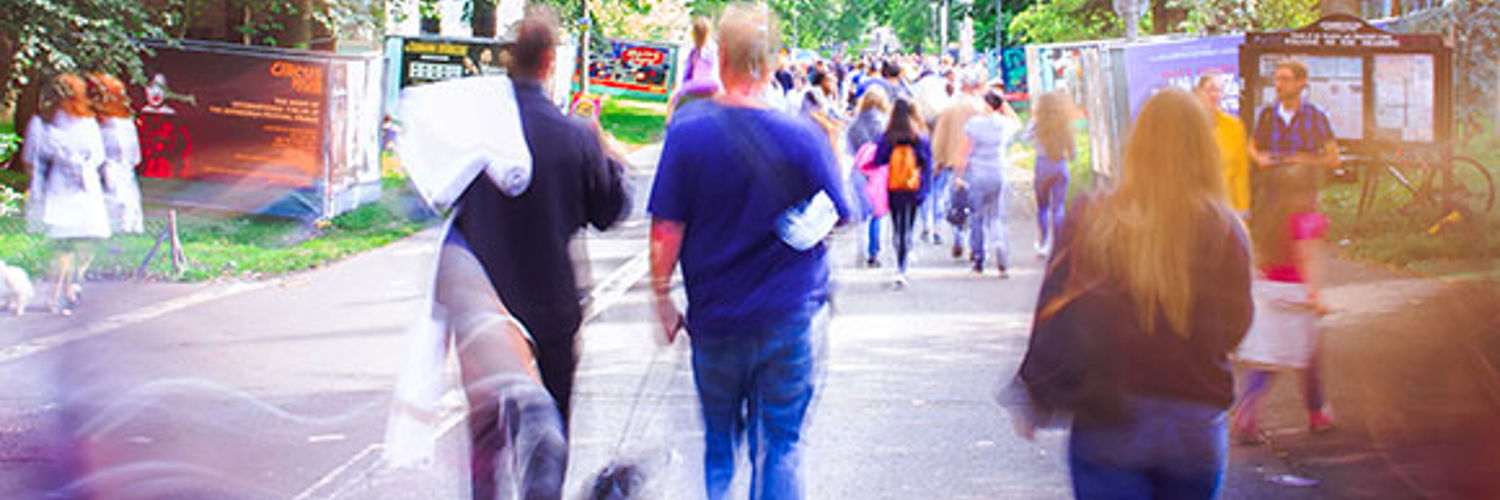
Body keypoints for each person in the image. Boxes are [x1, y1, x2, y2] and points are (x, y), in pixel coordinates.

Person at [1004, 89, 1254, 499]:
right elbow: (1236, 325)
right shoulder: (1225, 229)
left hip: (1109, 415)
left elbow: (1054, 305)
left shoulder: (1093, 217)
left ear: (1135, 145)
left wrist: (1037, 391)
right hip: (1194, 417)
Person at [648, 4, 851, 498]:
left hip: (715, 320)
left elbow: (666, 231)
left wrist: (662, 299)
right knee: (780, 445)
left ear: (721, 58)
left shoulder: (688, 134)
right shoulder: (804, 135)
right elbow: (839, 213)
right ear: (771, 62)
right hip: (789, 316)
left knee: (719, 444)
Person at [450, 9, 630, 495]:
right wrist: (610, 161)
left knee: (488, 431)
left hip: (483, 311)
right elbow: (610, 213)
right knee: (549, 433)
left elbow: (440, 202)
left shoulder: (476, 136)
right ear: (550, 62)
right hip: (551, 308)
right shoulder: (575, 136)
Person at [1232, 165, 1335, 445]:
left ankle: (1246, 410)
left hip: (1270, 292)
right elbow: (1306, 257)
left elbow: (1259, 259)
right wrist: (1314, 294)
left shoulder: (1270, 220)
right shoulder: (1306, 221)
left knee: (1269, 359)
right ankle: (1317, 413)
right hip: (1296, 295)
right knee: (1309, 358)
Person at [23, 73, 110, 315]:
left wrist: (82, 166)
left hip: (83, 190)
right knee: (65, 244)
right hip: (61, 190)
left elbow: (98, 156)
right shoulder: (46, 124)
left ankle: (71, 283)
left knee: (83, 242)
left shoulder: (86, 123)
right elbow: (33, 159)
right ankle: (59, 293)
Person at [1249, 60, 1339, 207]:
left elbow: (1333, 158)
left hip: (1302, 196)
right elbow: (1252, 146)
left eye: (1285, 79)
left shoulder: (1315, 116)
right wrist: (1259, 158)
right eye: (1277, 79)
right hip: (1269, 195)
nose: (1279, 85)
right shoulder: (1268, 114)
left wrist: (1301, 160)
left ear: (1300, 83)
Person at [953, 92, 1021, 278]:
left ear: (986, 104)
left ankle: (979, 258)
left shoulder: (974, 124)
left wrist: (958, 174)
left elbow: (964, 151)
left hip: (977, 174)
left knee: (977, 216)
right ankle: (1000, 247)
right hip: (998, 171)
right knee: (997, 216)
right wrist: (1004, 106)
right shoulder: (1004, 124)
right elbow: (1017, 123)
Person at [874, 98, 933, 288]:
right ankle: (904, 263)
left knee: (897, 225)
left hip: (893, 186)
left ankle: (899, 260)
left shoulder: (888, 136)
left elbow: (879, 159)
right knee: (909, 224)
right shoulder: (918, 137)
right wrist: (924, 187)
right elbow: (926, 163)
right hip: (913, 186)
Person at [930, 68, 987, 259]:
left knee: (954, 202)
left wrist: (937, 161)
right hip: (977, 161)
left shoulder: (949, 108)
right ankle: (974, 244)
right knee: (976, 204)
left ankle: (957, 238)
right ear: (977, 85)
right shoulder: (982, 108)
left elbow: (939, 137)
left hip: (952, 161)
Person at [89, 73, 145, 234]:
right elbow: (135, 158)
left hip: (115, 180)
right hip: (117, 180)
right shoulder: (123, 125)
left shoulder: (115, 126)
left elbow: (134, 157)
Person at [1195, 73, 1251, 216]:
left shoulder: (1234, 126)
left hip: (1226, 209)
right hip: (1193, 208)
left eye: (1218, 91)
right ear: (1197, 93)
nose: (1214, 95)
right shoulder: (1184, 125)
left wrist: (1243, 210)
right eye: (1210, 90)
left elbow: (1241, 171)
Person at [1029, 91, 1077, 257]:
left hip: (1042, 165)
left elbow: (1025, 138)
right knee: (1059, 208)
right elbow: (1073, 154)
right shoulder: (1064, 126)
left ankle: (1043, 243)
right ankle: (1059, 244)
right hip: (1061, 166)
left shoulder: (1036, 125)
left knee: (1042, 207)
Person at [848, 86, 891, 267]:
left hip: (858, 169)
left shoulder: (854, 123)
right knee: (877, 212)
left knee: (861, 212)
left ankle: (861, 250)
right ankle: (874, 252)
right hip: (878, 171)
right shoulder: (885, 122)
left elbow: (849, 149)